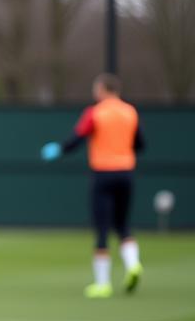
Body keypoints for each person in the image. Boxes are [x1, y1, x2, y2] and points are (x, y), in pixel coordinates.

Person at [41, 73, 145, 298]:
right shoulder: (130, 112)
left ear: (103, 90)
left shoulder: (95, 113)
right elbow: (140, 144)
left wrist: (59, 149)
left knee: (102, 228)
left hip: (103, 174)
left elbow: (77, 138)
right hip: (126, 172)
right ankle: (133, 264)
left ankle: (103, 283)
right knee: (123, 224)